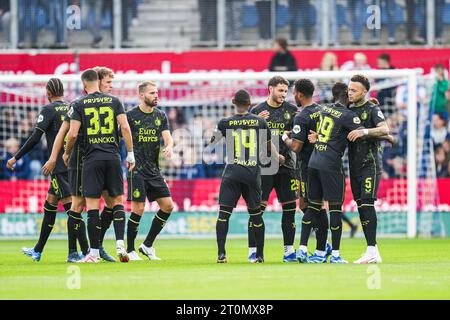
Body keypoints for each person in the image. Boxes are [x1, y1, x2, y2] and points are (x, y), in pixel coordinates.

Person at [42, 66, 120, 263]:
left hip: (101, 160)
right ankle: (73, 251)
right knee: (78, 205)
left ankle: (97, 245)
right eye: (108, 82)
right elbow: (64, 133)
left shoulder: (109, 104)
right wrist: (54, 157)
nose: (111, 86)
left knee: (111, 204)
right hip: (80, 161)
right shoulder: (79, 105)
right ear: (98, 81)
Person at [63, 69, 135, 263]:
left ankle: (93, 253)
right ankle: (120, 244)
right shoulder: (114, 101)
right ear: (99, 81)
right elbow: (125, 128)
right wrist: (130, 153)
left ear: (84, 84)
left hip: (91, 159)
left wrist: (66, 153)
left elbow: (72, 134)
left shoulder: (78, 103)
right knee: (117, 202)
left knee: (91, 206)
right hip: (112, 157)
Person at [210, 89, 283, 263]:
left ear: (234, 103)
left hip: (232, 171)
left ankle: (221, 254)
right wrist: (278, 157)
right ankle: (260, 255)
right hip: (252, 172)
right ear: (249, 104)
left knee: (224, 214)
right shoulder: (259, 121)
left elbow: (213, 142)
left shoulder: (225, 122)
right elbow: (268, 147)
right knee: (256, 215)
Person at [7, 79, 75, 262]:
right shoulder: (71, 108)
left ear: (48, 92)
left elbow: (35, 138)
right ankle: (38, 250)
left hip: (57, 166)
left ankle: (78, 252)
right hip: (70, 162)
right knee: (50, 204)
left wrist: (15, 157)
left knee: (72, 210)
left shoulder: (48, 109)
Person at [305, 82, 363, 263]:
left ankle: (309, 250)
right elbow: (361, 132)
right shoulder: (348, 115)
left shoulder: (324, 110)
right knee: (335, 209)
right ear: (347, 95)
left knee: (313, 207)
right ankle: (335, 255)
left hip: (313, 162)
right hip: (331, 165)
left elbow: (320, 134)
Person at [249, 76, 299, 262]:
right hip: (264, 167)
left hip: (286, 165)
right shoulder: (257, 111)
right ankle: (253, 250)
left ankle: (288, 251)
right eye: (280, 90)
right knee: (257, 210)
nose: (284, 94)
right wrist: (255, 123)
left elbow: (298, 134)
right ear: (270, 89)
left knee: (289, 210)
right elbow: (249, 141)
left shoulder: (292, 111)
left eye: (286, 91)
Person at [125, 81, 175, 261]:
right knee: (138, 208)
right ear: (141, 95)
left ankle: (147, 245)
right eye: (152, 93)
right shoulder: (130, 116)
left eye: (157, 92)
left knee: (168, 206)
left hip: (154, 170)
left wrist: (169, 147)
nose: (156, 96)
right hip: (136, 169)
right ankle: (130, 250)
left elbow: (168, 138)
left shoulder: (160, 115)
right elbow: (120, 136)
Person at [347, 74, 393, 264]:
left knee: (367, 204)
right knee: (360, 207)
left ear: (364, 92)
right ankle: (372, 251)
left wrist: (364, 131)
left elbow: (385, 129)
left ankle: (372, 250)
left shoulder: (372, 109)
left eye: (354, 90)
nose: (350, 93)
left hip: (370, 164)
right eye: (349, 89)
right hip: (354, 165)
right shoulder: (347, 110)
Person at [281, 79, 329, 263]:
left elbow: (296, 147)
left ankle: (317, 247)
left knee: (312, 206)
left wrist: (285, 136)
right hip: (323, 163)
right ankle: (324, 245)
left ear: (299, 94)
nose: (293, 95)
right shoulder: (323, 110)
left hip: (308, 167)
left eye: (294, 92)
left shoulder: (301, 116)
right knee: (305, 205)